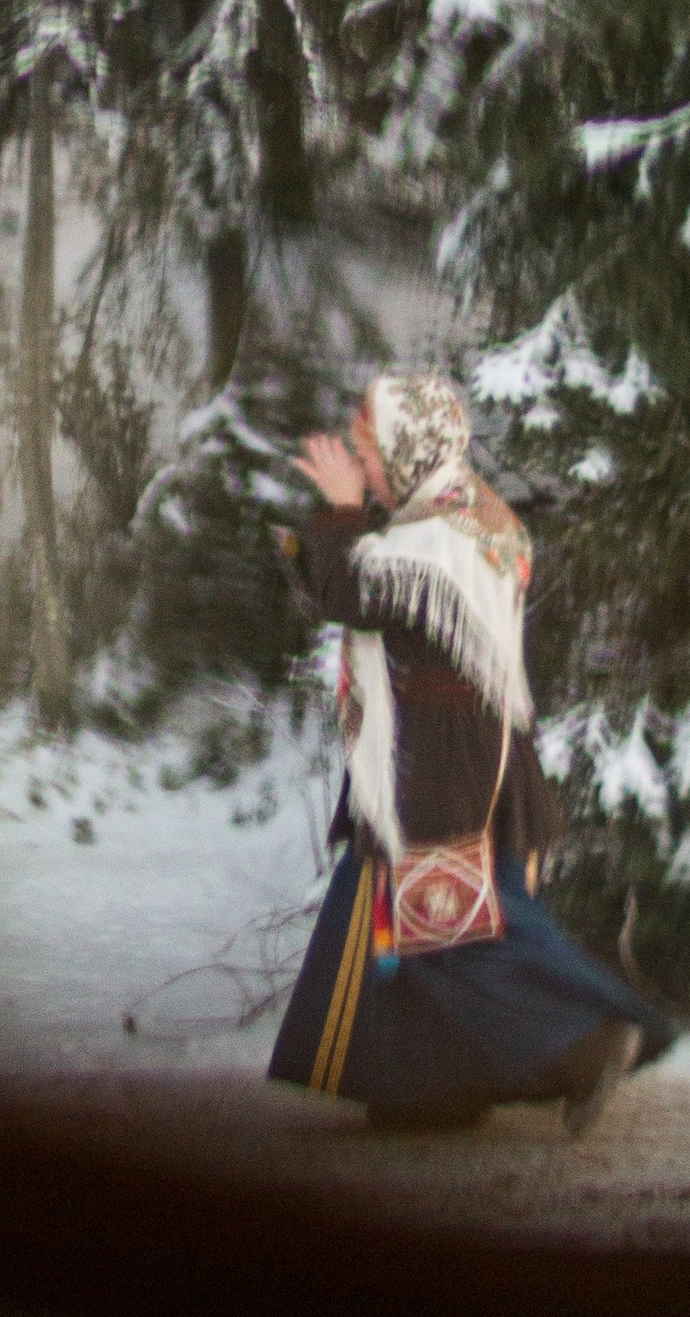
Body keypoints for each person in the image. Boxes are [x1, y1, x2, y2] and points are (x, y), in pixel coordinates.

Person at [268, 369, 669, 1133]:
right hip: (443, 750)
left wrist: (341, 513)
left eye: (370, 451)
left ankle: (589, 1037)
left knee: (451, 925)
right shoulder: (453, 513)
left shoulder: (447, 531)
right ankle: (434, 1088)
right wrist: (329, 531)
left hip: (443, 763)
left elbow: (356, 592)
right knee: (423, 924)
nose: (364, 467)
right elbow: (372, 593)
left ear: (413, 445)